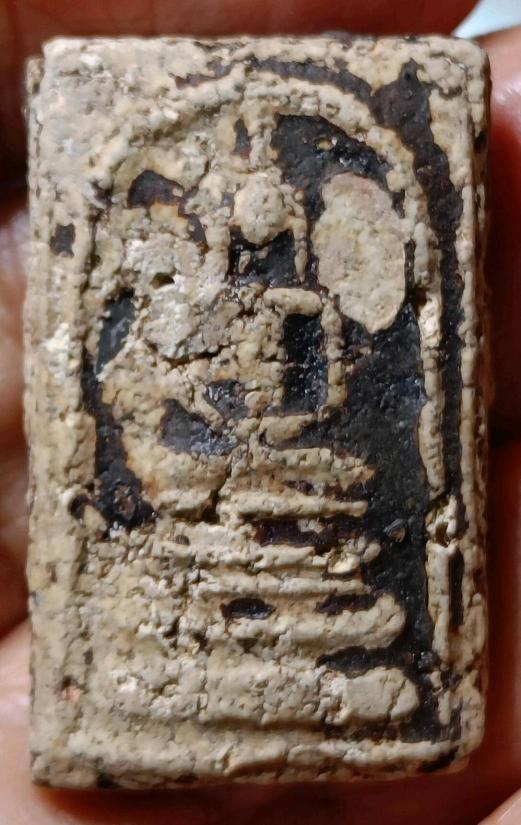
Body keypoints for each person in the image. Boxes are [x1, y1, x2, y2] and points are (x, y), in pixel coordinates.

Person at [0, 2, 520, 823]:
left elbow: (326, 390)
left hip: (288, 459)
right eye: (242, 239)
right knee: (180, 493)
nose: (254, 254)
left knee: (333, 485)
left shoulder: (301, 301)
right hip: (208, 469)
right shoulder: (198, 296)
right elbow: (164, 383)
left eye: (271, 240)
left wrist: (281, 416)